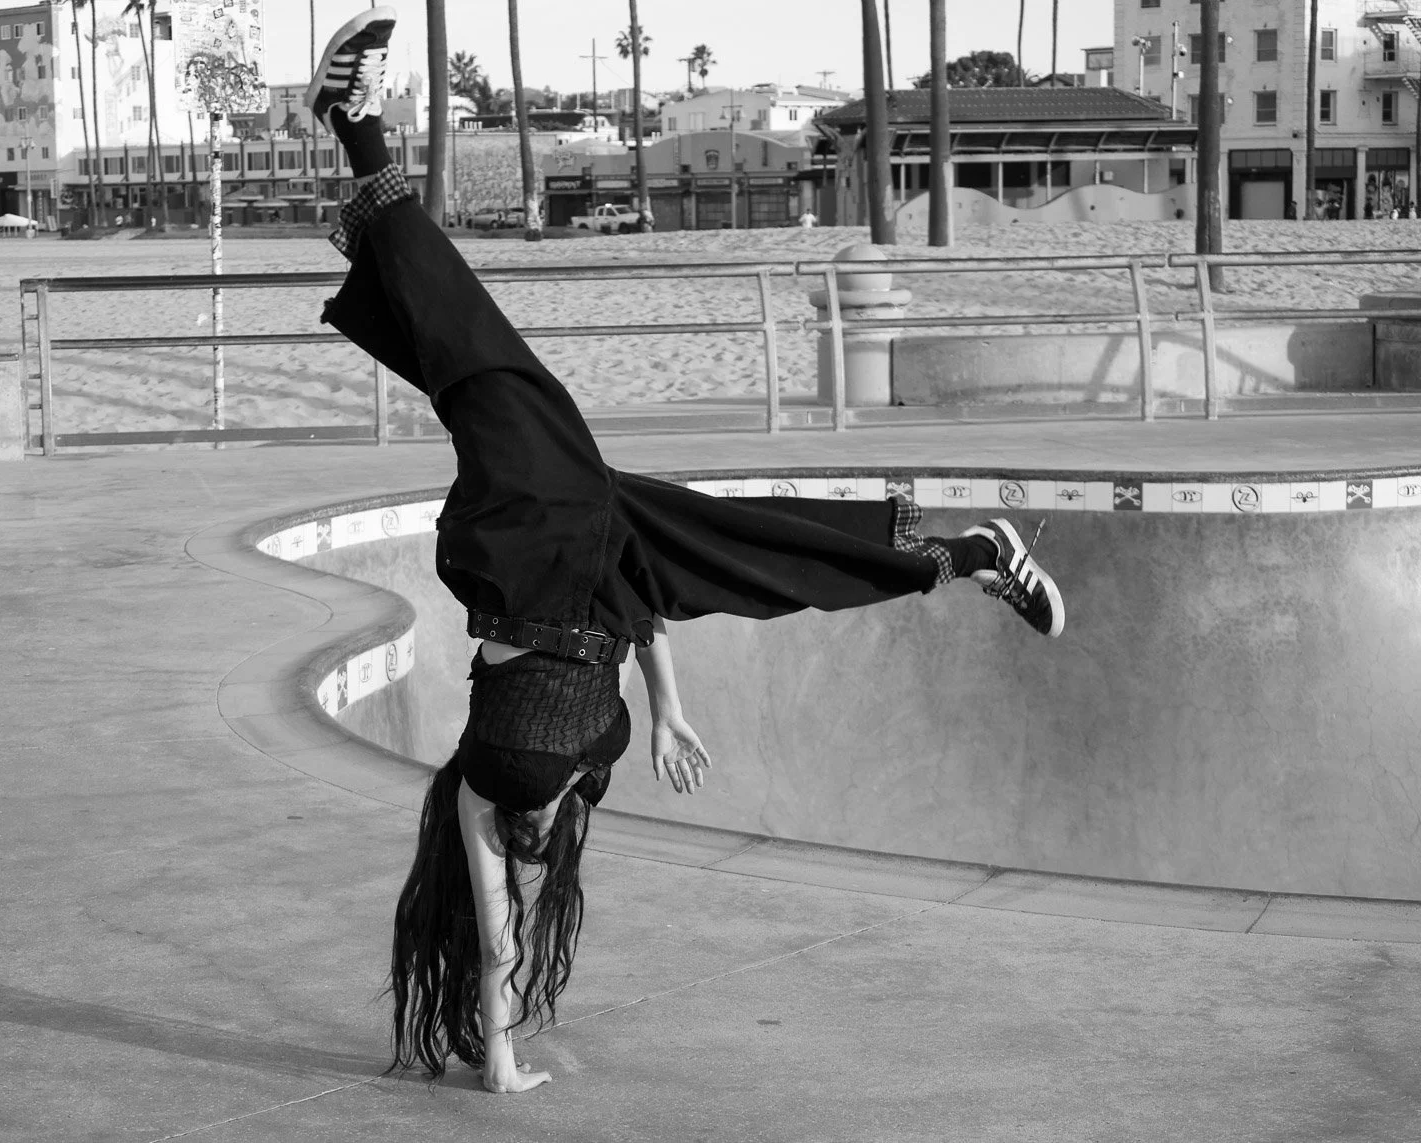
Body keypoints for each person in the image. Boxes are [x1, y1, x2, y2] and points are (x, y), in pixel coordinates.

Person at [307, 8, 1065, 1096]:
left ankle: (360, 138)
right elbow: (635, 609)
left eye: (508, 864)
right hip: (604, 548)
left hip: (524, 548)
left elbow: (493, 945)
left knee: (492, 375)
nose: (519, 865)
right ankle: (960, 559)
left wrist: (502, 1060)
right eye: (529, 865)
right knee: (748, 549)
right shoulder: (565, 795)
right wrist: (669, 711)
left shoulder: (482, 793)